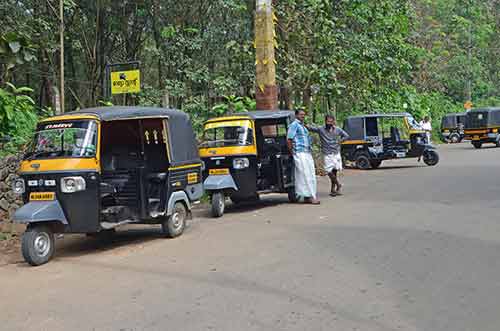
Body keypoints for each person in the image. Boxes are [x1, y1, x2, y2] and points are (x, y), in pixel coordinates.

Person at [308, 115, 349, 196]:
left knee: (335, 171)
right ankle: (338, 184)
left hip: (336, 152)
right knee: (328, 171)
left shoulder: (337, 129)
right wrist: (303, 124)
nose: (329, 123)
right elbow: (311, 128)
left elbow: (346, 136)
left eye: (330, 121)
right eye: (327, 121)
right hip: (327, 153)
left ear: (333, 122)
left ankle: (333, 190)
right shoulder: (321, 129)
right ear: (325, 121)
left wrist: (339, 141)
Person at [287, 109, 320, 205]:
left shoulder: (303, 126)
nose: (303, 116)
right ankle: (310, 197)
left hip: (307, 152)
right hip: (300, 153)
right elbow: (289, 139)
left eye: (304, 115)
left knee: (310, 174)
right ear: (296, 115)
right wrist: (293, 152)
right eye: (301, 114)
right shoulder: (294, 125)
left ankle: (307, 196)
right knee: (305, 175)